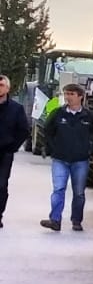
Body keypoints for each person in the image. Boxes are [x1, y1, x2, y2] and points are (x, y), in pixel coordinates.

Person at [41, 84, 93, 233]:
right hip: (60, 159)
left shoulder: (89, 117)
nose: (68, 97)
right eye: (66, 94)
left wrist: (89, 152)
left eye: (71, 94)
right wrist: (51, 148)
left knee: (79, 192)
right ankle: (55, 220)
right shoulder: (57, 114)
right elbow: (48, 131)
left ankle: (76, 220)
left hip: (80, 161)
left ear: (80, 96)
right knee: (58, 189)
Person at [0, 75, 31, 229]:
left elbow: (24, 130)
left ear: (7, 88)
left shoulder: (16, 108)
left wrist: (13, 146)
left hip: (5, 153)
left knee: (1, 185)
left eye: (1, 85)